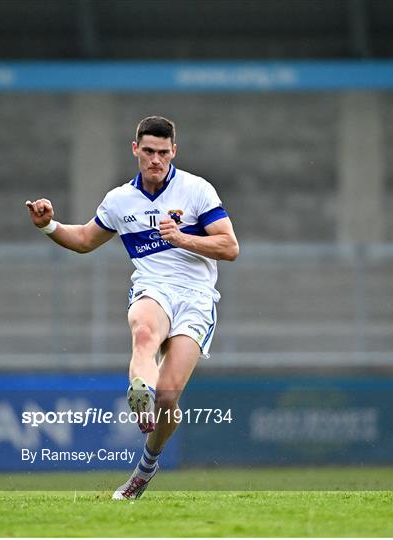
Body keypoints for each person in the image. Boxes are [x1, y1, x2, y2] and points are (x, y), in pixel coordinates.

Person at [25, 116, 239, 499]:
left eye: (162, 152)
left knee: (169, 397)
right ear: (135, 149)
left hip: (196, 298)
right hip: (152, 288)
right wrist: (49, 226)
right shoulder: (120, 200)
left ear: (173, 151)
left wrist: (183, 239)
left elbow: (229, 247)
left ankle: (146, 466)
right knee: (144, 332)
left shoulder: (196, 191)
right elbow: (86, 240)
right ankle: (140, 393)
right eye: (148, 151)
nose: (155, 159)